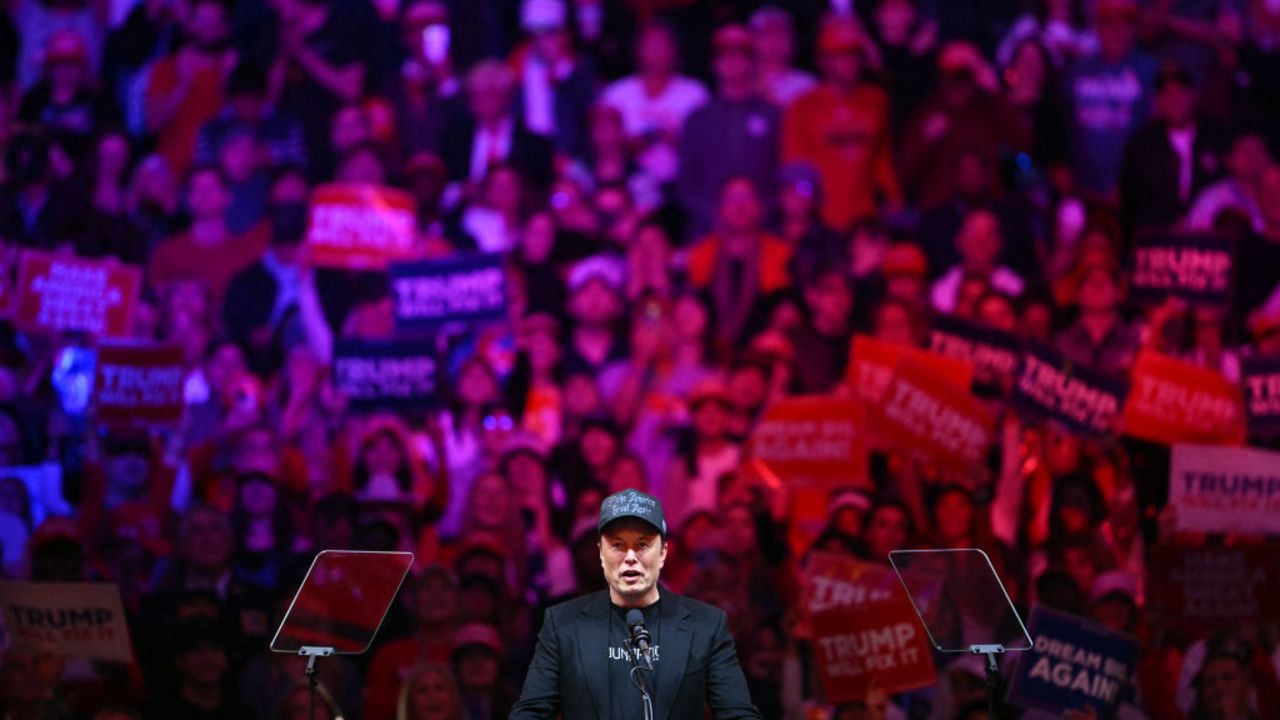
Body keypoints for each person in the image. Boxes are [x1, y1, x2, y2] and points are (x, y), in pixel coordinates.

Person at [511, 488, 763, 718]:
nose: (630, 557)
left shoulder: (707, 625)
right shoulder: (562, 624)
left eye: (642, 544)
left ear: (663, 552)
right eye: (618, 544)